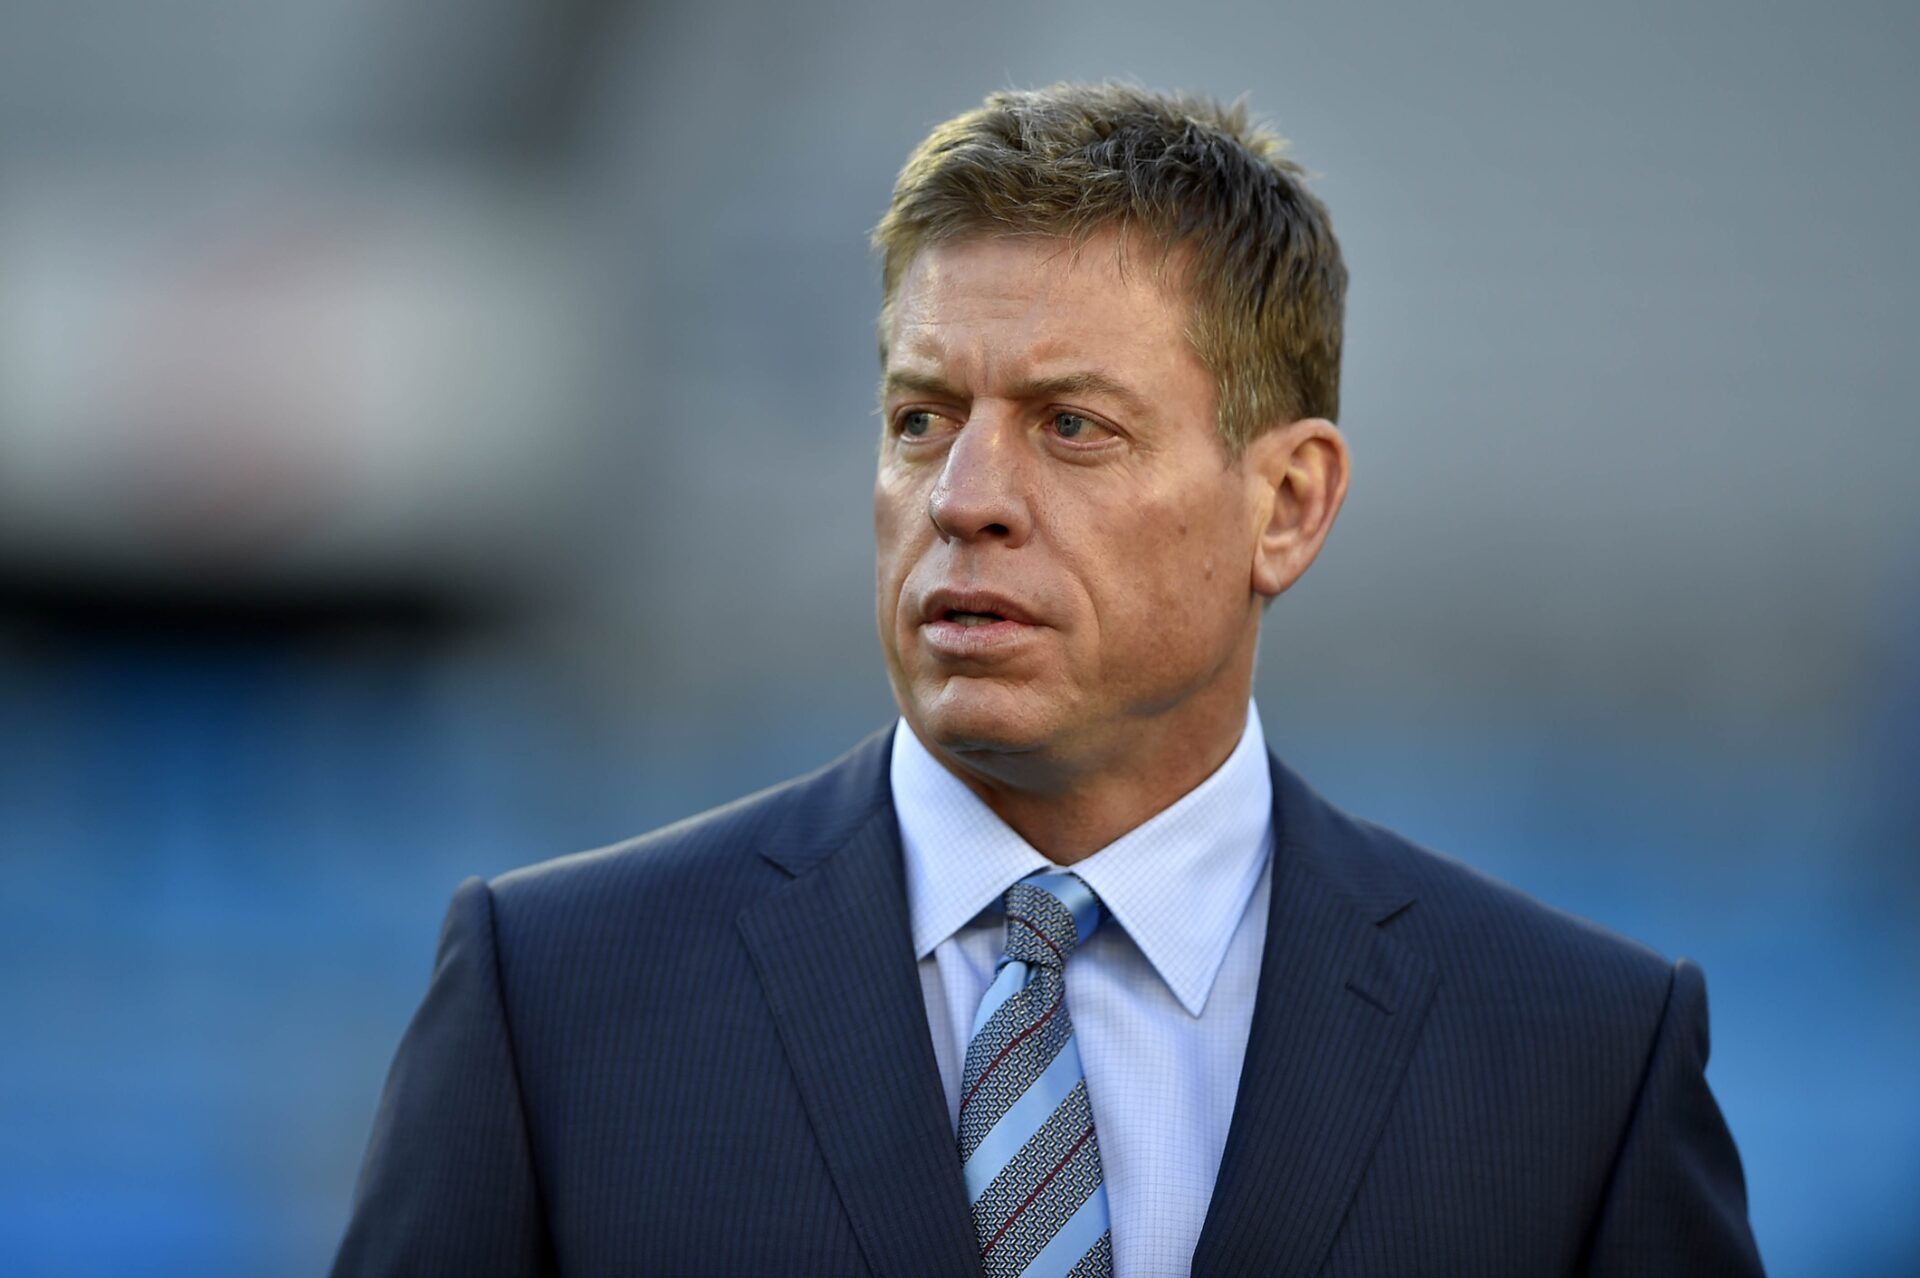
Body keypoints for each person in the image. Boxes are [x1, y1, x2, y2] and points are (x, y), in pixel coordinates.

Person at [330, 83, 1764, 1277]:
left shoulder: (1575, 1066)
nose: (965, 496)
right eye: (919, 418)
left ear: (1287, 504)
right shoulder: (561, 1002)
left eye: (1072, 425)